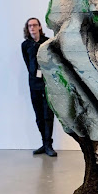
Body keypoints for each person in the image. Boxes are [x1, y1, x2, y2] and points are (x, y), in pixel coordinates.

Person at [21, 17, 57, 157]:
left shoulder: (47, 43)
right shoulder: (25, 45)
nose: (32, 28)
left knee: (48, 115)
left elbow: (53, 62)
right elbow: (27, 63)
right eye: (29, 26)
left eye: (34, 25)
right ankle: (44, 143)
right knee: (39, 116)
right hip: (33, 84)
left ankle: (49, 145)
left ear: (40, 27)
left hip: (47, 84)